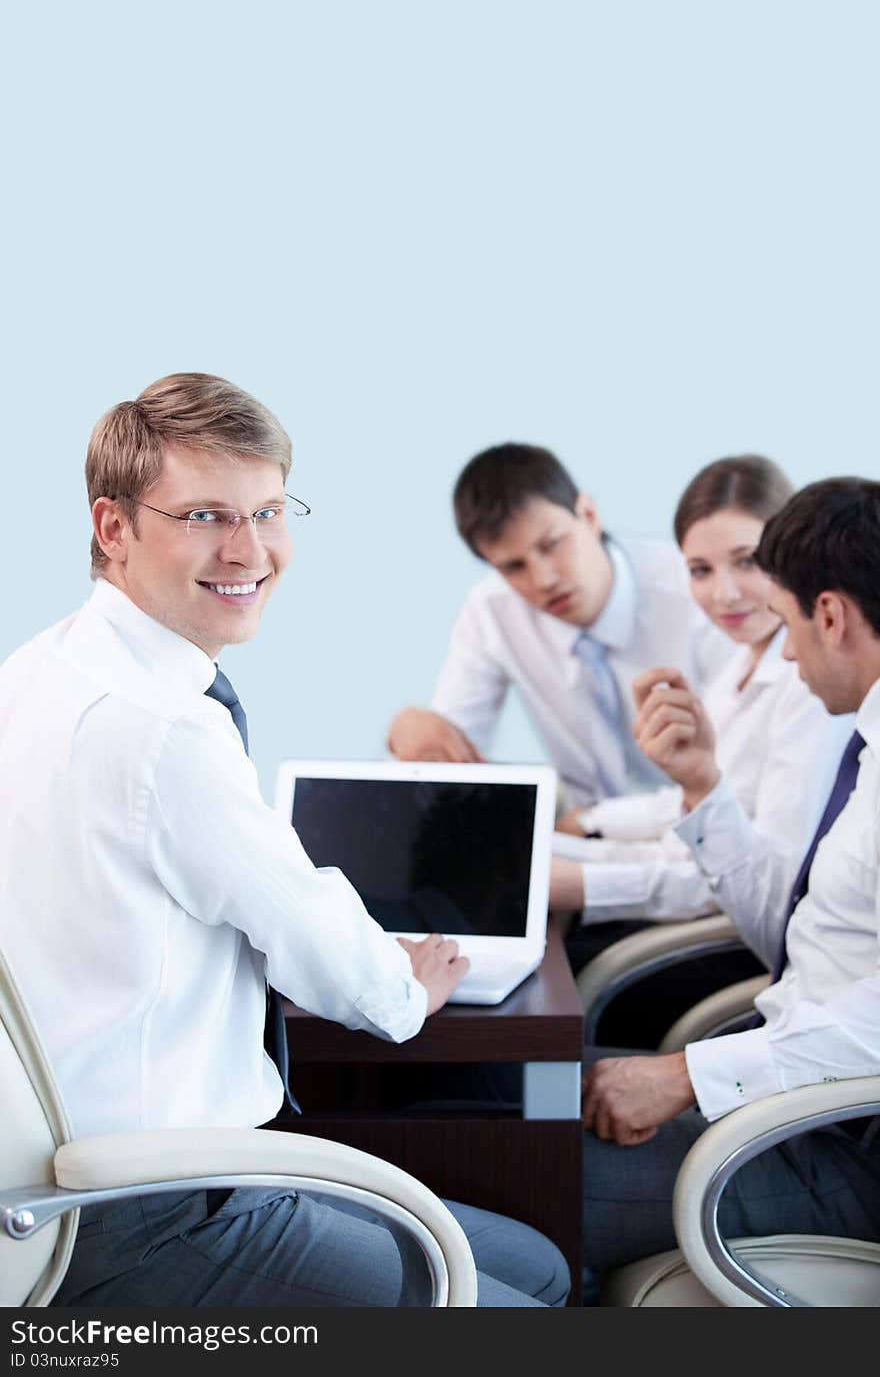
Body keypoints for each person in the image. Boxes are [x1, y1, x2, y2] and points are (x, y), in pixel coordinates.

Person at [0, 373, 569, 1308]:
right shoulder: (163, 727)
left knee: (537, 1267)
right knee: (532, 1300)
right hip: (158, 1211)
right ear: (114, 529)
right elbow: (335, 966)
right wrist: (403, 988)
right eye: (205, 516)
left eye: (269, 510)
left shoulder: (44, 662)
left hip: (77, 1178)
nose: (251, 550)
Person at [580, 477, 880, 1289]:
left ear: (829, 615)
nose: (783, 654)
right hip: (784, 1090)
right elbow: (788, 933)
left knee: (509, 1161)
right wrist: (701, 788)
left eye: (787, 624)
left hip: (838, 1147)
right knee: (521, 1095)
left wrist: (686, 1077)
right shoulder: (869, 743)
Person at [550, 455, 851, 932]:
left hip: (730, 935)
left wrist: (580, 881)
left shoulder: (817, 689)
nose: (724, 594)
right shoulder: (739, 659)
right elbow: (687, 815)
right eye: (700, 570)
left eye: (747, 561)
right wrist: (585, 826)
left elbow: (764, 882)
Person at [388, 443, 732, 808]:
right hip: (581, 841)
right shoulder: (492, 611)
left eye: (551, 544)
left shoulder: (697, 592)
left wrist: (589, 826)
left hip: (698, 827)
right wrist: (408, 731)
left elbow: (735, 775)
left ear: (588, 514)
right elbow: (448, 757)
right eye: (512, 567)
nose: (543, 580)